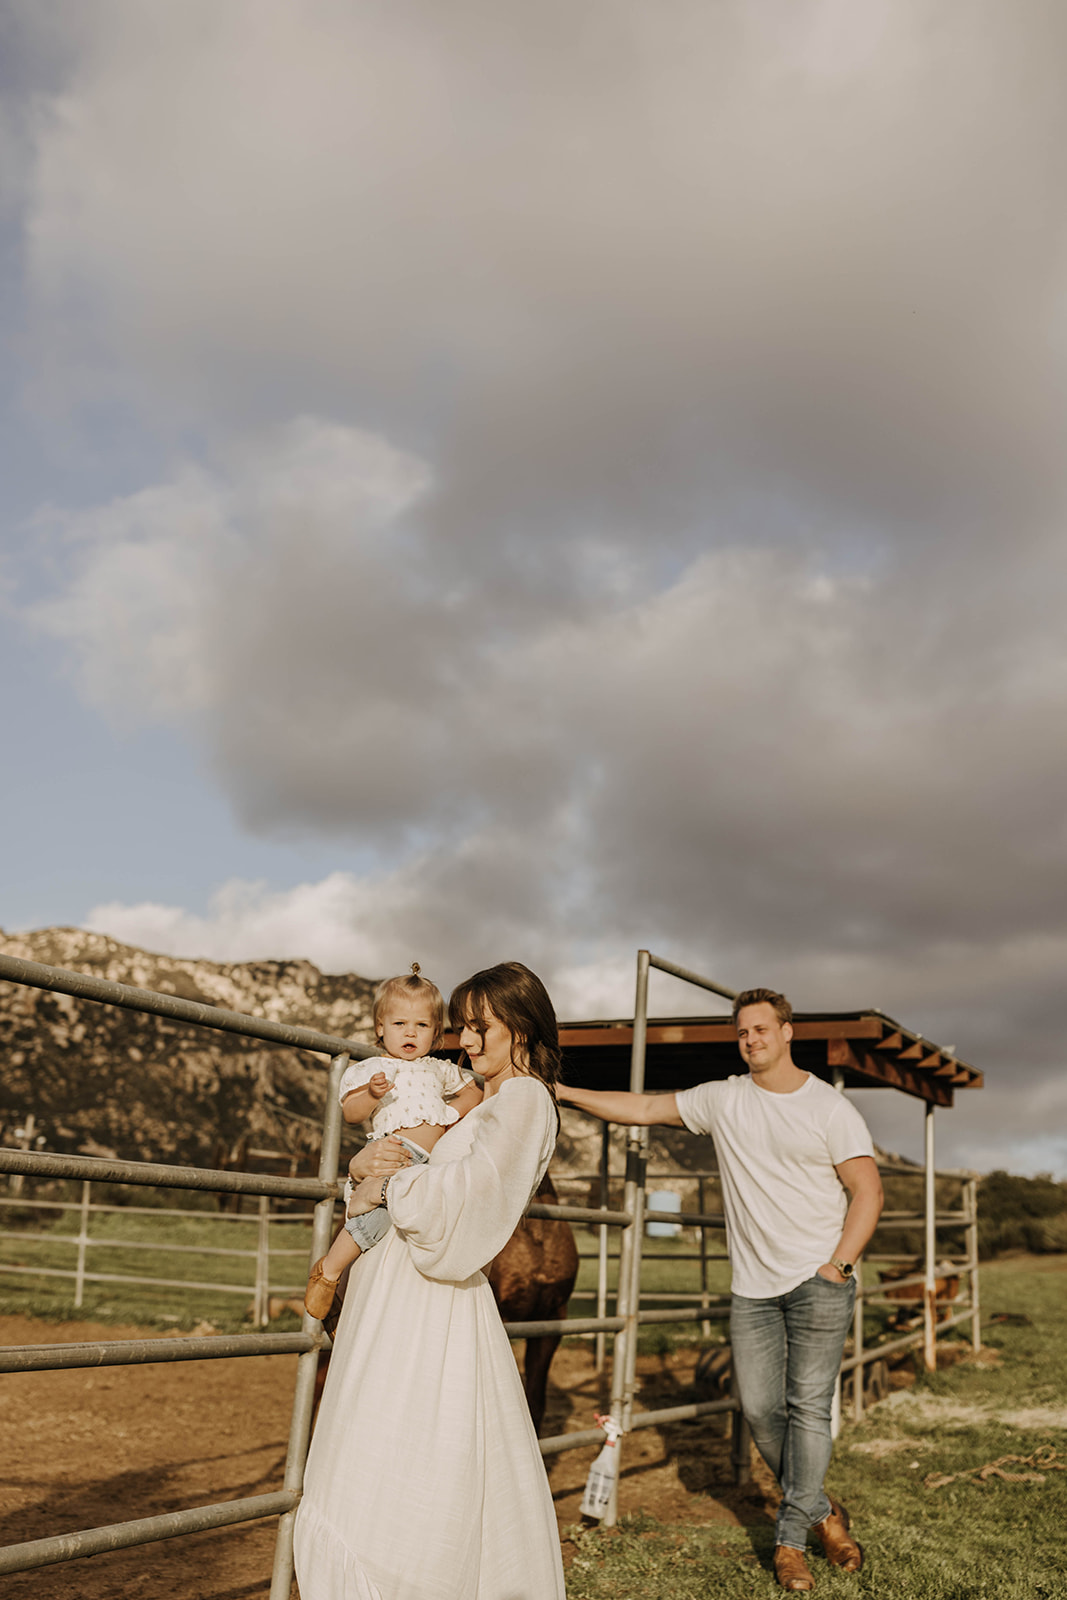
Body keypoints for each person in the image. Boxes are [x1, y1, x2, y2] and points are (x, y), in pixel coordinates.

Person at [558, 987, 884, 1594]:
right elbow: (643, 1109)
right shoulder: (722, 1099)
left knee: (808, 1409)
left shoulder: (829, 1107)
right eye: (742, 1032)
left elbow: (868, 1191)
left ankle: (789, 1544)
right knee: (761, 1411)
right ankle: (822, 1512)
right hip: (753, 1289)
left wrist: (838, 1265)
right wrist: (565, 1092)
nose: (752, 1040)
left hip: (819, 1281)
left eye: (762, 1029)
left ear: (788, 1033)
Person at [293, 961, 567, 1600]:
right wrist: (366, 1165)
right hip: (399, 1274)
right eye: (464, 1028)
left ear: (521, 1028)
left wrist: (386, 1179)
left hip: (427, 1287)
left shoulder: (525, 1101)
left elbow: (464, 1204)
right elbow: (416, 1151)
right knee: (388, 1427)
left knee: (402, 1428)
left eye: (481, 1028)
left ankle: (405, 1577)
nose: (466, 1042)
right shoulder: (488, 1096)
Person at [304, 965, 482, 1318]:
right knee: (379, 1219)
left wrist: (449, 1116)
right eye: (400, 1024)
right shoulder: (372, 1069)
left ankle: (361, 1304)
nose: (410, 1033)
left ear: (435, 1035)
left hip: (429, 1165)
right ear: (380, 1028)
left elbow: (473, 1095)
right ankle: (329, 1272)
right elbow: (352, 1112)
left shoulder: (439, 1069)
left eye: (422, 1025)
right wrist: (371, 1094)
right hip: (394, 1156)